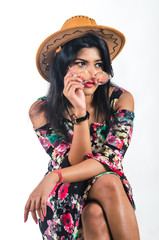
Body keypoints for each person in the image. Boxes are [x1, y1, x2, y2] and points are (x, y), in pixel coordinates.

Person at [24, 15, 140, 240]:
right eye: (81, 63)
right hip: (67, 193)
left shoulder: (121, 100)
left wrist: (53, 176)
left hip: (105, 190)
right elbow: (75, 161)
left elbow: (110, 160)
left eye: (98, 64)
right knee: (108, 181)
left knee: (96, 208)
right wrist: (80, 112)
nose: (91, 74)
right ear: (63, 67)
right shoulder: (41, 110)